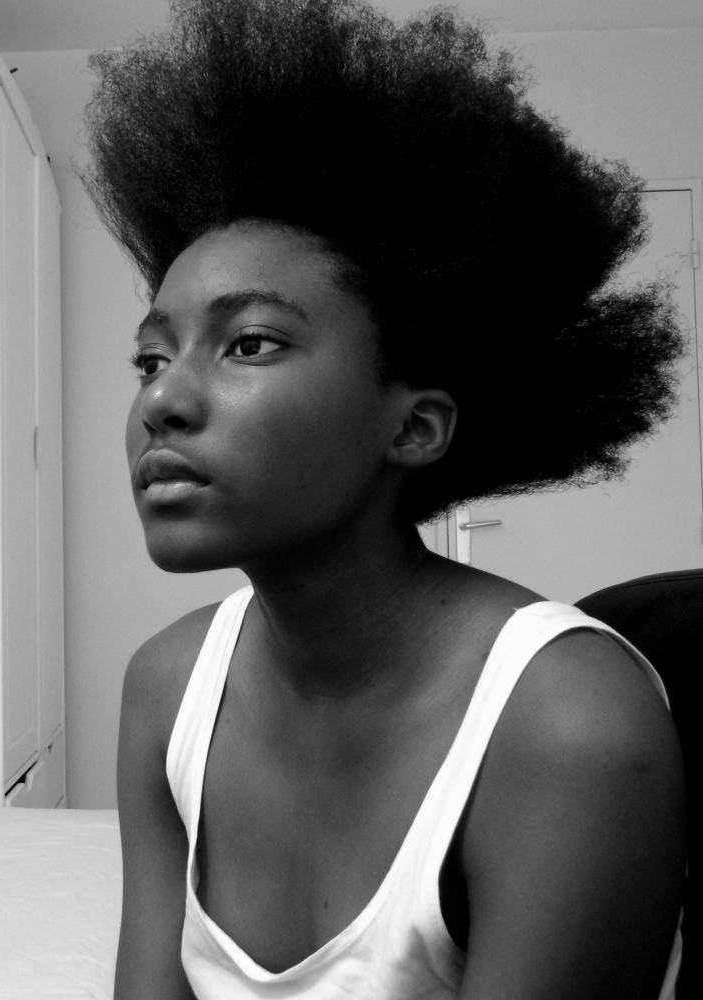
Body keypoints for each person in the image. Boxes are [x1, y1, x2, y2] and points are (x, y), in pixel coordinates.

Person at [82, 2, 687, 997]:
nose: (161, 401)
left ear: (413, 427)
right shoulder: (167, 688)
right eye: (151, 357)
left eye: (249, 344)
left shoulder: (569, 726)